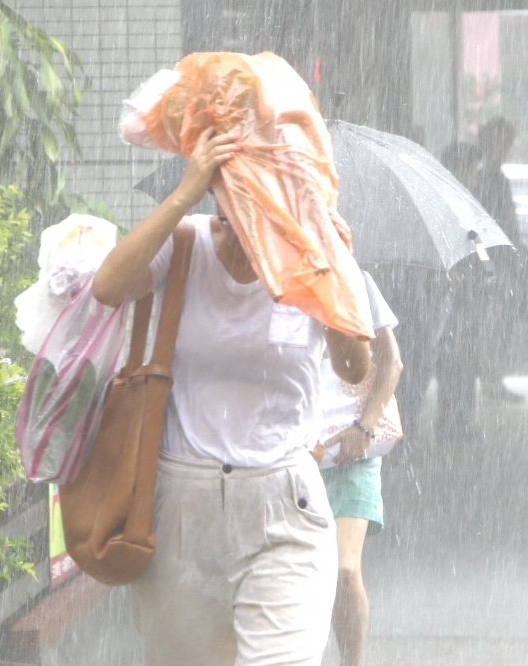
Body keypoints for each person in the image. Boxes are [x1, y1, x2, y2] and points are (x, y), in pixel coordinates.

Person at [92, 128, 371, 666]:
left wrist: (335, 270)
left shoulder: (313, 255)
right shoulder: (187, 242)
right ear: (218, 197)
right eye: (234, 207)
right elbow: (108, 288)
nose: (248, 231)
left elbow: (354, 366)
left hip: (283, 504)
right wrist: (181, 195)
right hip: (180, 509)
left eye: (264, 211)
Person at [318, 272, 403, 666]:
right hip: (290, 450)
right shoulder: (267, 281)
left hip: (352, 451)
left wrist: (366, 426)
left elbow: (391, 362)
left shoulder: (354, 280)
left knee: (343, 569)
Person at [473, 116, 528, 403]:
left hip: (499, 264)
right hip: (492, 265)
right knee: (492, 326)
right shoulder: (485, 181)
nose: (506, 149)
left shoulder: (496, 180)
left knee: (497, 326)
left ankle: (492, 379)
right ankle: (490, 380)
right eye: (502, 143)